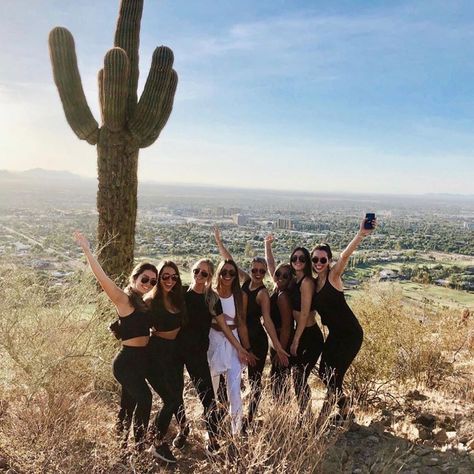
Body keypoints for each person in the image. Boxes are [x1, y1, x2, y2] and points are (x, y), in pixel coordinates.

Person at [73, 231, 155, 450]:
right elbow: (102, 278)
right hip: (126, 362)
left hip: (141, 361)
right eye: (144, 279)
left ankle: (120, 444)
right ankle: (138, 448)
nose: (148, 283)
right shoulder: (124, 300)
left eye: (152, 281)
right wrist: (87, 250)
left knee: (128, 405)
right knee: (145, 399)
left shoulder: (144, 303)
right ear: (134, 278)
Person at [214, 227, 289, 428]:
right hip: (239, 336)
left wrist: (278, 346)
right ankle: (227, 414)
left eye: (261, 271)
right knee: (232, 377)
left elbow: (268, 321)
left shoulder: (263, 294)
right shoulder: (245, 280)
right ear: (250, 269)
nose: (257, 273)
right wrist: (219, 243)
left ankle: (249, 418)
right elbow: (229, 262)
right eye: (254, 269)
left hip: (255, 341)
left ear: (265, 273)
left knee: (255, 381)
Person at [174, 259, 252, 452]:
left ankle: (213, 438)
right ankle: (183, 428)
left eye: (204, 273)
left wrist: (241, 348)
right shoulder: (181, 293)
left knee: (208, 398)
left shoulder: (211, 299)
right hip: (176, 352)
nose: (199, 276)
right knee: (175, 394)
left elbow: (225, 327)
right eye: (196, 271)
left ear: (210, 277)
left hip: (199, 354)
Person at [312, 218, 375, 420]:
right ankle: (344, 408)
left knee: (335, 375)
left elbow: (346, 255)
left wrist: (360, 235)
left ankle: (329, 413)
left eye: (323, 259)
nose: (319, 263)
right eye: (315, 260)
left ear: (329, 261)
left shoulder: (333, 277)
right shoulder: (312, 285)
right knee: (324, 373)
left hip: (351, 334)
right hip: (335, 335)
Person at [208, 259, 256, 435]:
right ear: (218, 273)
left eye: (231, 273)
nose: (227, 276)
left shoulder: (240, 296)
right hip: (214, 340)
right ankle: (211, 431)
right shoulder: (211, 294)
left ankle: (236, 432)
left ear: (236, 276)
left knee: (235, 390)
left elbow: (241, 323)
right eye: (224, 272)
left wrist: (246, 349)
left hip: (234, 341)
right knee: (211, 389)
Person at [146, 261, 186, 464]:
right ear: (159, 278)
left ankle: (181, 430)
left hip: (174, 354)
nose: (170, 280)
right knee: (170, 399)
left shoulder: (178, 298)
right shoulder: (150, 301)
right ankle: (156, 441)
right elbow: (134, 320)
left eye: (174, 277)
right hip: (157, 354)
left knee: (177, 396)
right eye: (165, 277)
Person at [288, 246, 324, 415]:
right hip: (300, 333)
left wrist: (296, 340)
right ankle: (305, 414)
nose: (297, 261)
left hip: (310, 336)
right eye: (295, 258)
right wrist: (268, 247)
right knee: (297, 378)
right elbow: (273, 270)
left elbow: (304, 313)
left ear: (307, 261)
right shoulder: (294, 279)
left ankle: (306, 416)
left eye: (302, 259)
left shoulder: (307, 282)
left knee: (299, 377)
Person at [264, 235, 294, 401]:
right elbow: (270, 264)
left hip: (282, 341)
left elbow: (287, 326)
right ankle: (281, 409)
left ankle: (282, 412)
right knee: (277, 377)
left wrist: (280, 350)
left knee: (278, 378)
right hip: (275, 341)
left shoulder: (283, 296)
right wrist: (267, 245)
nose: (280, 278)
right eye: (278, 274)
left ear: (290, 279)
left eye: (285, 276)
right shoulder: (276, 287)